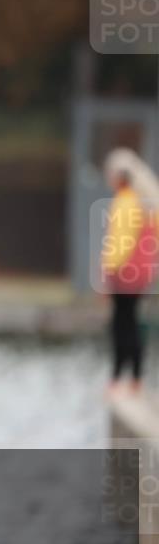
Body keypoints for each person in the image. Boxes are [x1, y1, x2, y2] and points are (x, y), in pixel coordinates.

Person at [101, 148, 158, 395]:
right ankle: (134, 378)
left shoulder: (125, 201)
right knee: (132, 323)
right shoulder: (145, 203)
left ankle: (117, 378)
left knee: (121, 325)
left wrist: (107, 275)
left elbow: (119, 242)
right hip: (139, 275)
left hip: (124, 274)